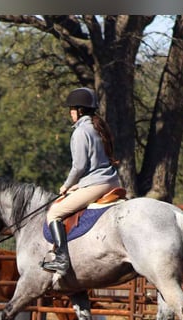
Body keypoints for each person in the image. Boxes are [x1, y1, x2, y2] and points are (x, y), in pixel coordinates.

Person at [41, 87, 121, 275]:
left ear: (80, 110)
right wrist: (78, 185)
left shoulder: (80, 132)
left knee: (54, 213)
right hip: (112, 181)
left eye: (72, 109)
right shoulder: (99, 128)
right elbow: (96, 164)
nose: (70, 113)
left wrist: (67, 185)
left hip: (96, 184)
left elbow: (78, 166)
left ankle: (61, 259)